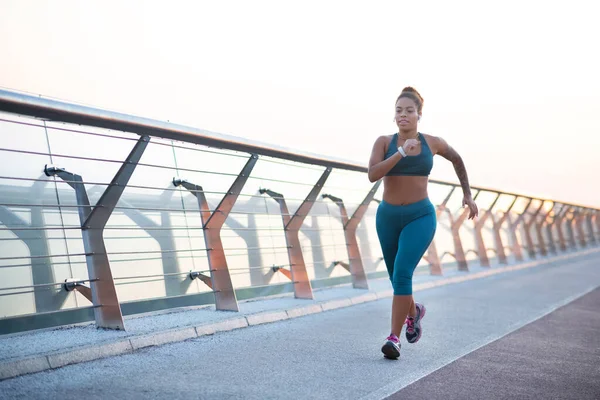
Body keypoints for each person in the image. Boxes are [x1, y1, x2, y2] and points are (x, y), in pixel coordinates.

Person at [367, 87, 478, 360]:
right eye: (398, 111)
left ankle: (394, 339)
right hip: (388, 217)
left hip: (420, 216)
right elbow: (372, 174)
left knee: (403, 272)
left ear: (419, 115)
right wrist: (402, 153)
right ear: (394, 116)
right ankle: (414, 312)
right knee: (396, 278)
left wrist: (466, 193)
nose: (403, 115)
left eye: (409, 111)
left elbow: (457, 159)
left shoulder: (433, 142)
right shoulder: (384, 142)